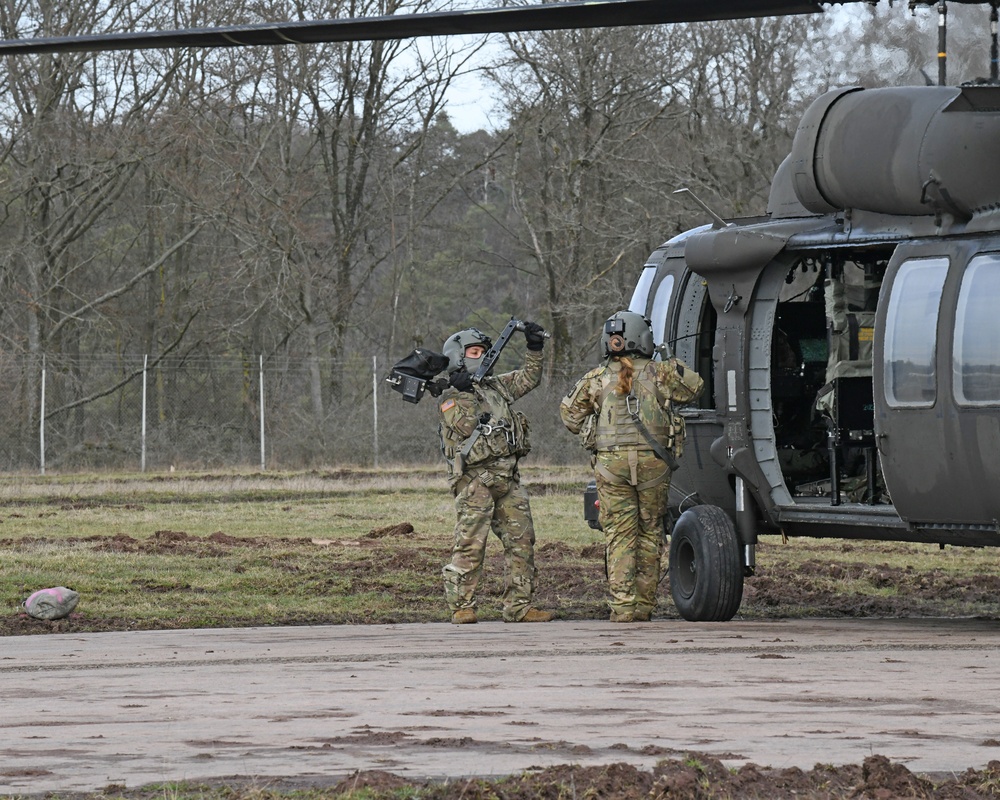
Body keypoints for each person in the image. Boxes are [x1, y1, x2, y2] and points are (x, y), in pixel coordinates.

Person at [559, 311, 703, 623]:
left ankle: (623, 608)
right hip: (654, 466)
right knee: (650, 531)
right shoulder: (660, 372)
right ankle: (644, 607)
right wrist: (668, 356)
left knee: (619, 535)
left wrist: (593, 435)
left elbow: (569, 415)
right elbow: (694, 387)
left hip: (611, 468)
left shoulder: (595, 379)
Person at [437, 321, 554, 625]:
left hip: (508, 478)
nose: (482, 357)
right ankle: (462, 605)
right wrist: (464, 391)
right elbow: (464, 426)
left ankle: (519, 606)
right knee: (470, 545)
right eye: (475, 352)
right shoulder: (450, 396)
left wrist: (534, 348)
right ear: (459, 357)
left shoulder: (496, 387)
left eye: (484, 352)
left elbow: (529, 378)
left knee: (522, 541)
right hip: (475, 481)